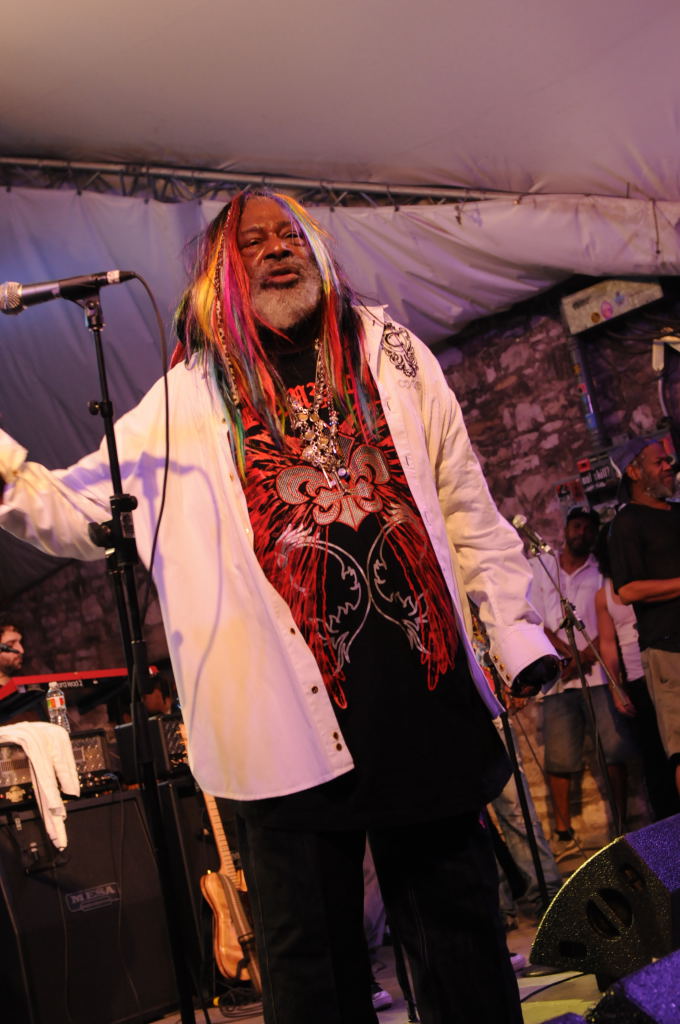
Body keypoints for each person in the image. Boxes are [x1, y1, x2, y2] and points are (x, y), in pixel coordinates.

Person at [0, 189, 558, 1024]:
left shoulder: (392, 353)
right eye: (253, 241)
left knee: (462, 946)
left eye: (290, 234)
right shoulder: (186, 400)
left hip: (424, 707)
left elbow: (466, 501)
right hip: (289, 736)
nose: (276, 248)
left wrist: (514, 634)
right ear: (220, 275)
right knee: (313, 973)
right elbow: (75, 511)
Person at [529, 505, 635, 858]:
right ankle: (563, 832)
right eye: (577, 526)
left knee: (614, 750)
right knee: (560, 756)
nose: (582, 533)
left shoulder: (601, 571)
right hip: (559, 680)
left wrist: (584, 656)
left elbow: (607, 618)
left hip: (599, 675)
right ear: (565, 529)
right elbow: (536, 618)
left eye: (589, 528)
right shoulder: (543, 567)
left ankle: (621, 824)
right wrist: (567, 655)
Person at [608, 436, 680, 799]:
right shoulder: (627, 523)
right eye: (659, 462)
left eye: (669, 460)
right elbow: (628, 591)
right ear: (634, 472)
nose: (669, 466)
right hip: (669, 649)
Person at [594, 525, 679, 821]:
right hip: (637, 679)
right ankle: (667, 824)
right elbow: (607, 644)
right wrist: (615, 688)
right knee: (653, 754)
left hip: (665, 667)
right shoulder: (604, 594)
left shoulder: (651, 578)